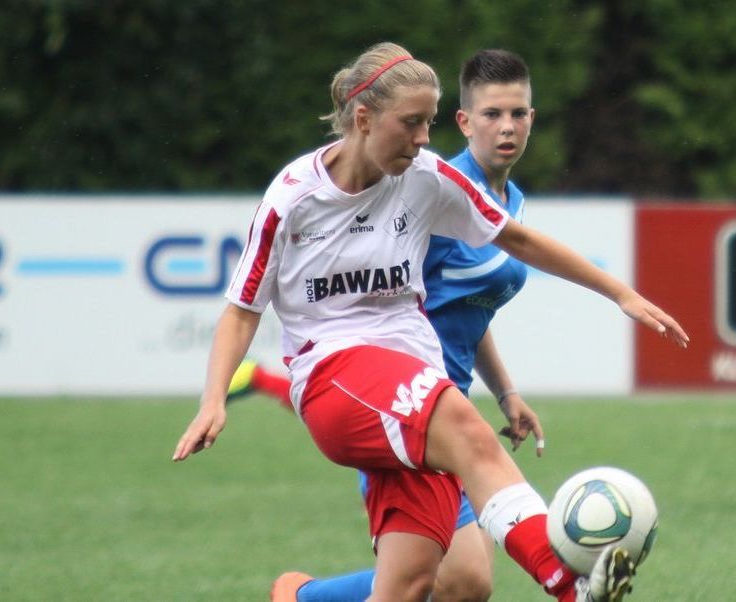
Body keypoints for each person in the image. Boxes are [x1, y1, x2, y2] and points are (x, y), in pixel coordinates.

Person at [173, 42, 688, 602]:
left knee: (432, 585)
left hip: (412, 378)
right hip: (334, 379)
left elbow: (515, 240)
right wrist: (214, 399)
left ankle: (296, 597)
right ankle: (572, 587)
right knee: (471, 434)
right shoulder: (294, 198)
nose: (423, 139)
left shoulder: (426, 177)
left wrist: (618, 293)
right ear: (363, 118)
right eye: (411, 123)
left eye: (430, 123)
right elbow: (241, 308)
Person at [237, 48, 541, 602]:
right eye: (493, 113)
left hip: (448, 401)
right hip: (398, 400)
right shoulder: (430, 188)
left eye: (519, 113)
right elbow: (377, 307)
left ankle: (300, 598)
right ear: (464, 121)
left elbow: (469, 304)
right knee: (456, 580)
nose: (508, 127)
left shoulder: (507, 200)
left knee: (457, 584)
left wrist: (507, 391)